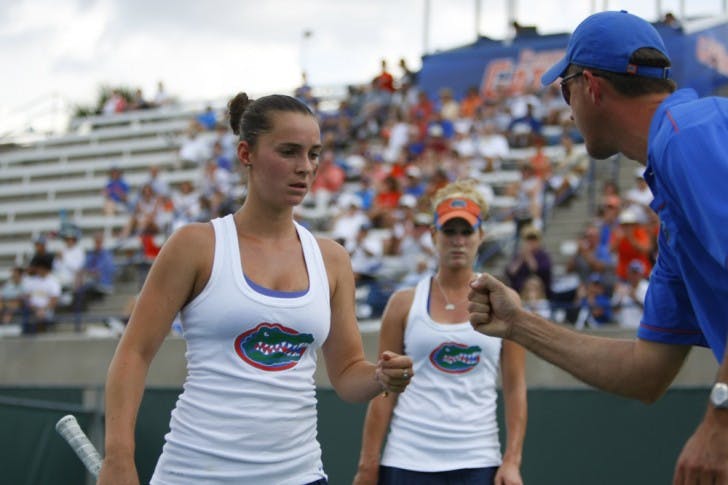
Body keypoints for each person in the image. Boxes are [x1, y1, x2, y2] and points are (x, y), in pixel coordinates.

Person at [98, 93, 413, 485]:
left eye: (314, 154)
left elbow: (348, 374)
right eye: (289, 152)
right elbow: (134, 353)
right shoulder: (196, 246)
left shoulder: (331, 259)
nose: (305, 168)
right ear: (246, 153)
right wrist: (118, 457)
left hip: (300, 476)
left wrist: (380, 377)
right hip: (196, 474)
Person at [468, 10, 728, 482]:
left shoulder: (687, 134)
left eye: (564, 90)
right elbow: (644, 373)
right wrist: (518, 324)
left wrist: (721, 418)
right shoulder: (673, 185)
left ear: (591, 86)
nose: (566, 109)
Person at [355, 179, 527, 485]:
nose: (458, 240)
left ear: (481, 236)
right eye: (449, 231)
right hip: (407, 460)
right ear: (434, 236)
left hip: (479, 460)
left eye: (466, 231)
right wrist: (368, 466)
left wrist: (512, 460)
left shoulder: (505, 302)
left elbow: (515, 388)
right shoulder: (402, 304)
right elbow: (384, 391)